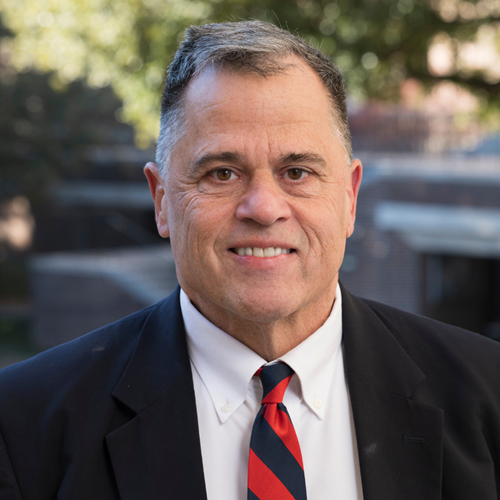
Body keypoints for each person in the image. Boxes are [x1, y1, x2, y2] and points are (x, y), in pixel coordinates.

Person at [0, 20, 499, 500]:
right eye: (222, 173)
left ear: (349, 198)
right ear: (161, 201)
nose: (263, 208)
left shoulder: (486, 393)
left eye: (297, 171)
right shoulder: (23, 423)